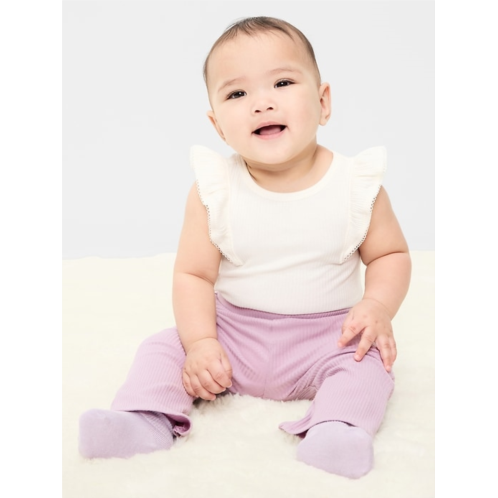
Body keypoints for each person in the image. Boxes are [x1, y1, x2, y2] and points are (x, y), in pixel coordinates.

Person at [78, 16, 411, 479]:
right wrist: (201, 343)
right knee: (163, 347)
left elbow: (389, 255)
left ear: (323, 102)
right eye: (237, 93)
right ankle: (143, 420)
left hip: (329, 338)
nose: (261, 102)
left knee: (369, 365)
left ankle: (336, 428)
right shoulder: (215, 190)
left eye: (282, 82)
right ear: (217, 125)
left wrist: (376, 305)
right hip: (232, 335)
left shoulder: (356, 185)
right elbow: (194, 275)